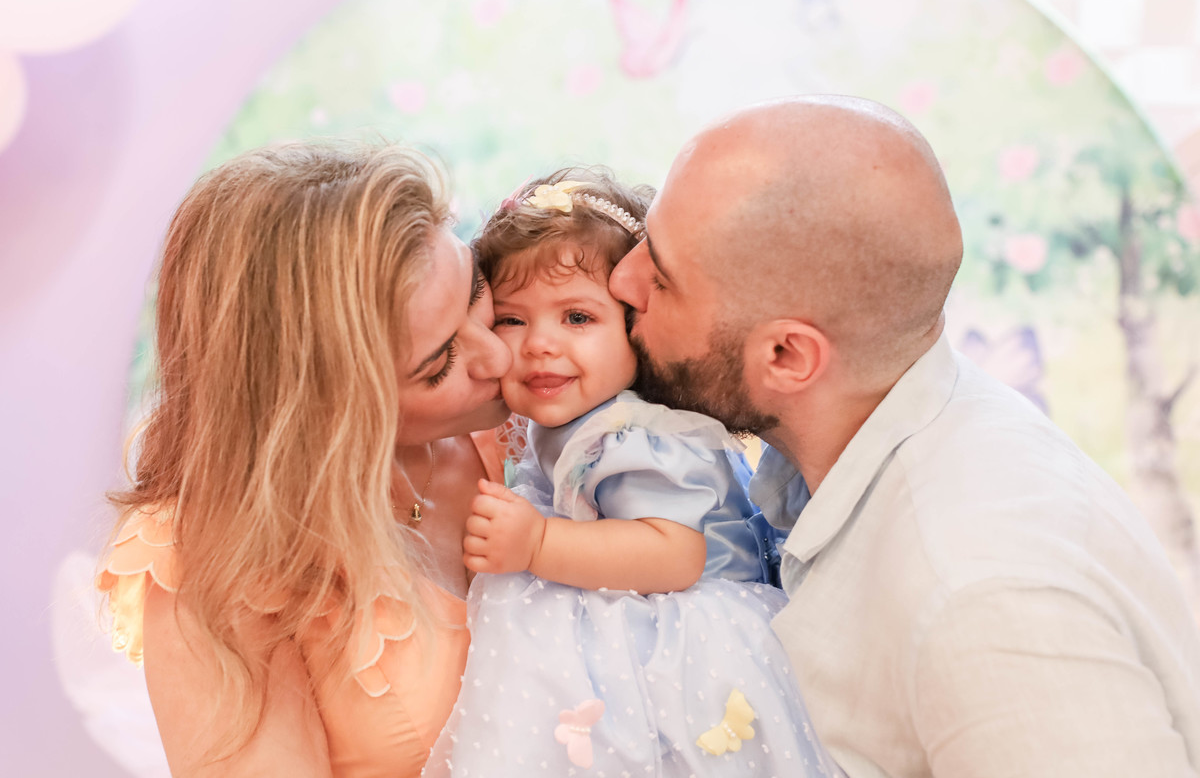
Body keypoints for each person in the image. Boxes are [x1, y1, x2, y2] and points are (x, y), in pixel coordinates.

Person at [608, 94, 1200, 777]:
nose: (622, 279)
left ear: (788, 357)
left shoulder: (980, 599)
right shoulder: (896, 423)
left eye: (662, 278)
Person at [97, 141, 514, 777]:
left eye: (475, 289)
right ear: (320, 408)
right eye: (438, 365)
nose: (500, 357)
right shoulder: (216, 564)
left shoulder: (532, 419)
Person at [425, 169, 842, 777]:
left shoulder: (636, 436)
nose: (539, 344)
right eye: (512, 320)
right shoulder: (569, 414)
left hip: (694, 636)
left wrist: (537, 542)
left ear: (635, 329)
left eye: (576, 318)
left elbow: (674, 554)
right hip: (634, 610)